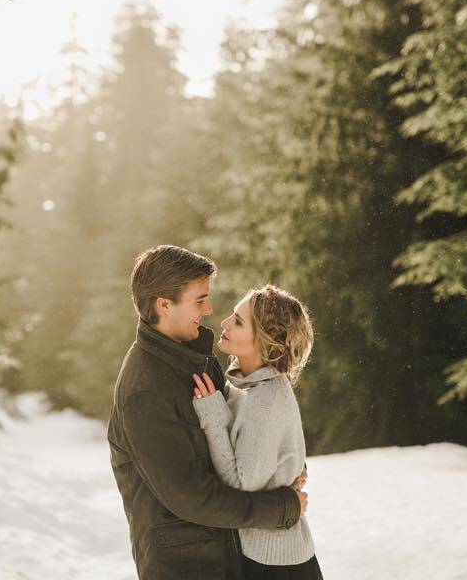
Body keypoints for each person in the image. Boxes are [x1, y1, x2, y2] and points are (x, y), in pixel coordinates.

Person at [108, 245, 307, 580]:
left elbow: (238, 435)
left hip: (223, 553)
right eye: (199, 299)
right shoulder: (144, 390)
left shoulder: (192, 359)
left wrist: (281, 462)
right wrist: (281, 507)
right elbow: (190, 496)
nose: (210, 308)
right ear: (164, 304)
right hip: (185, 566)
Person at [192, 284, 324, 580]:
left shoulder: (266, 398)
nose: (225, 323)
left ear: (267, 342)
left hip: (274, 565)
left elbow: (241, 485)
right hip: (261, 556)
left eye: (238, 321)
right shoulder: (247, 387)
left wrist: (212, 416)